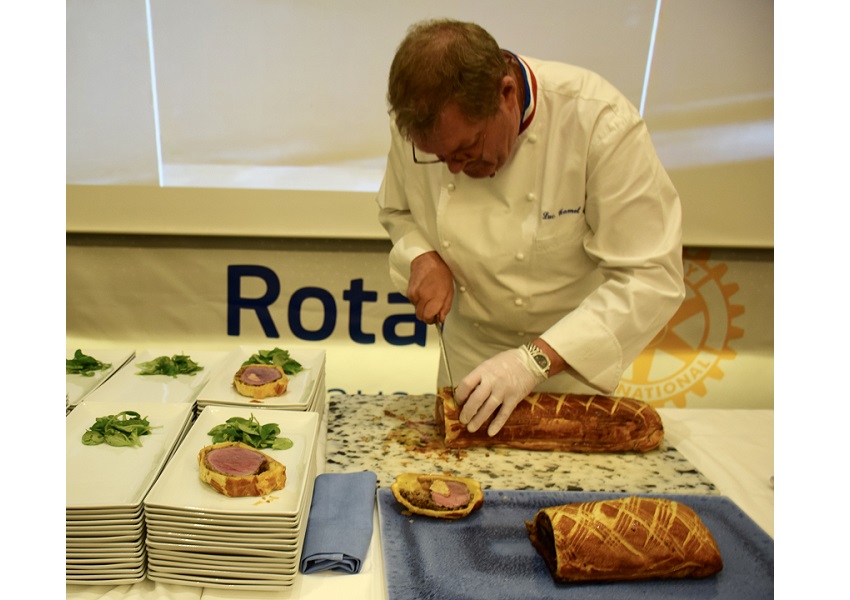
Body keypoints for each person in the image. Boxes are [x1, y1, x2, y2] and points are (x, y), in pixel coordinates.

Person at [376, 19, 685, 438]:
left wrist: (531, 363)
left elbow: (650, 276)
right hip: (467, 365)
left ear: (506, 94)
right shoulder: (424, 126)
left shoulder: (599, 122)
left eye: (467, 150)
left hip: (570, 371)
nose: (453, 169)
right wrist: (421, 254)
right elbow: (398, 210)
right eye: (439, 157)